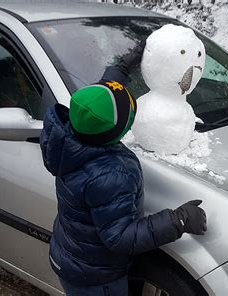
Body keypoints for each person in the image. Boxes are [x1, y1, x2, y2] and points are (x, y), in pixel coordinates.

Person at [39, 41, 207, 296]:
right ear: (118, 132)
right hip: (97, 280)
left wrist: (121, 68)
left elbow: (98, 100)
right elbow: (120, 238)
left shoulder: (71, 138)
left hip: (72, 259)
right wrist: (177, 220)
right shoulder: (111, 175)